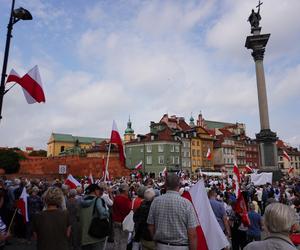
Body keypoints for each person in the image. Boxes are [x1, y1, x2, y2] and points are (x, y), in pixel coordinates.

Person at [147, 173, 198, 250]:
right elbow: (192, 233)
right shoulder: (186, 204)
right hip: (181, 246)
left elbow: (150, 226)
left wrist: (156, 241)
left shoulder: (156, 201)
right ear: (179, 185)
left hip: (161, 245)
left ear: (165, 185)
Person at [80, 183, 109, 250]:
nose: (100, 192)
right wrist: (107, 213)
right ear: (95, 190)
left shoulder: (81, 201)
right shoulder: (98, 200)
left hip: (84, 236)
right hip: (96, 235)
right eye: (99, 190)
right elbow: (103, 215)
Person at [111, 183, 131, 250]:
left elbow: (113, 209)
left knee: (116, 240)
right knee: (123, 241)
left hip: (116, 221)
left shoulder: (116, 198)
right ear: (124, 190)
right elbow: (128, 211)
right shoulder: (126, 200)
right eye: (127, 189)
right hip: (123, 222)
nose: (128, 190)